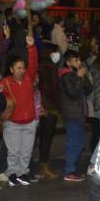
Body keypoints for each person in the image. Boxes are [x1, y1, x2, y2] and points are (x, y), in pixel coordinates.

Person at [0, 30, 38, 186]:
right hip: (12, 123)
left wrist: (32, 48)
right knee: (13, 152)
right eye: (18, 68)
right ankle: (12, 173)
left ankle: (22, 173)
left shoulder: (29, 77)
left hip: (29, 122)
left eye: (23, 67)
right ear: (12, 70)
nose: (22, 70)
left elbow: (33, 63)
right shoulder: (4, 83)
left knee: (26, 152)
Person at [59, 50, 93, 181]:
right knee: (75, 143)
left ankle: (71, 170)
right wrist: (79, 77)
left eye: (79, 60)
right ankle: (69, 171)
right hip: (71, 114)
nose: (78, 63)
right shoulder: (66, 76)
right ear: (68, 63)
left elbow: (89, 89)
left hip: (78, 113)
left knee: (78, 143)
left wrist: (83, 76)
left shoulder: (76, 74)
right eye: (75, 60)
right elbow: (72, 93)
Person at [35, 43, 62, 179]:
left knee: (41, 138)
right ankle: (44, 166)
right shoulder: (50, 68)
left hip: (41, 106)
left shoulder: (39, 67)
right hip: (49, 107)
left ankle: (40, 165)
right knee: (47, 138)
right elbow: (54, 89)